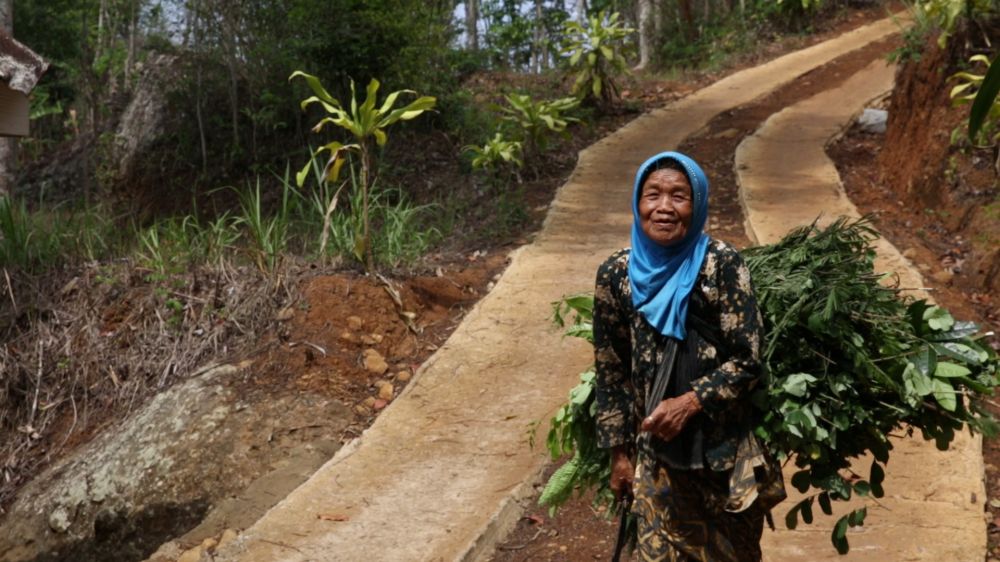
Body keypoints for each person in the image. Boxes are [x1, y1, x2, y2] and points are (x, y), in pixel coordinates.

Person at [593, 151, 783, 561]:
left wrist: (690, 401)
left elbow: (748, 360)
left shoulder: (722, 266)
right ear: (637, 203)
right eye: (652, 195)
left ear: (696, 205)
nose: (664, 207)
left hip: (722, 464)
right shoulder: (616, 275)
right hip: (656, 464)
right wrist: (619, 455)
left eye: (679, 196)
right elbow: (610, 371)